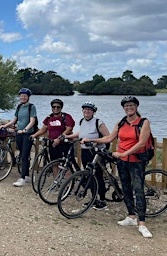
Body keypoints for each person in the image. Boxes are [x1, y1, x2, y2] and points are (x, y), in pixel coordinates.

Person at [82, 96, 153, 238]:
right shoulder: (121, 122)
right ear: (123, 108)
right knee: (125, 188)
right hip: (122, 161)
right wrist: (92, 140)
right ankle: (131, 217)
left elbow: (141, 143)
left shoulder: (143, 122)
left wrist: (124, 153)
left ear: (136, 106)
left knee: (138, 190)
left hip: (136, 160)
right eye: (126, 106)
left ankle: (143, 224)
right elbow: (109, 138)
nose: (129, 108)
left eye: (131, 105)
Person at [66, 101, 110, 209]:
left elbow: (108, 137)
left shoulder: (98, 122)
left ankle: (102, 199)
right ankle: (93, 198)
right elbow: (81, 133)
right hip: (85, 151)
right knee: (89, 175)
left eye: (89, 110)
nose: (87, 111)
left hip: (97, 152)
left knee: (98, 175)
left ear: (93, 112)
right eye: (85, 109)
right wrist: (69, 136)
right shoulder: (82, 121)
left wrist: (94, 141)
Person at [0, 88, 37, 186]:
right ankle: (27, 176)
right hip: (19, 133)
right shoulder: (19, 106)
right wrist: (6, 125)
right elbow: (14, 120)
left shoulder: (31, 107)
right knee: (22, 154)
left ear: (28, 97)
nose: (23, 97)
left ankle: (22, 178)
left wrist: (25, 130)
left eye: (25, 96)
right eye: (21, 95)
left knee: (24, 156)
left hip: (27, 134)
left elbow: (32, 121)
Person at [31, 98, 75, 169]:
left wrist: (59, 139)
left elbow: (69, 129)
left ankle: (67, 180)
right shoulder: (49, 118)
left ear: (61, 108)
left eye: (58, 107)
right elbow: (43, 129)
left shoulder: (66, 117)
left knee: (66, 166)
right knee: (55, 164)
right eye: (53, 107)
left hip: (65, 144)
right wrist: (34, 135)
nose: (56, 108)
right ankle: (55, 180)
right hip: (53, 144)